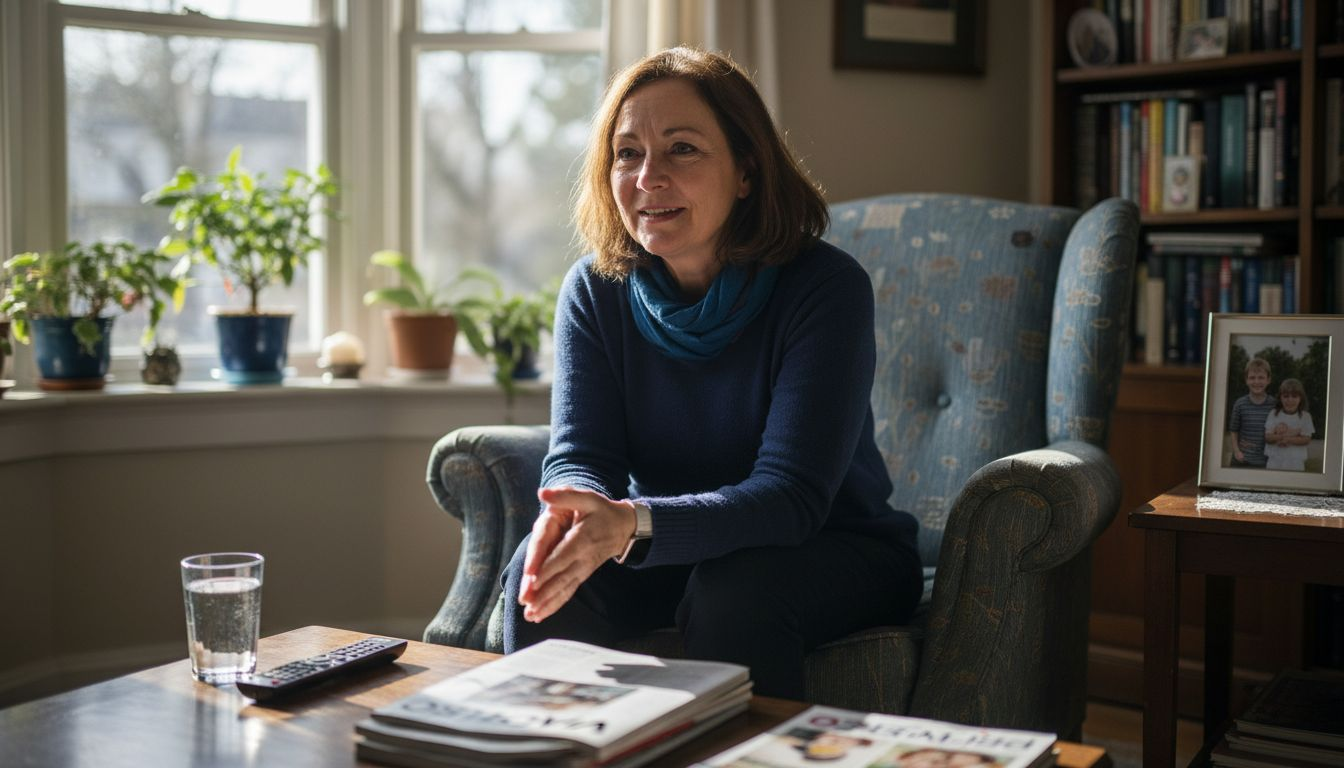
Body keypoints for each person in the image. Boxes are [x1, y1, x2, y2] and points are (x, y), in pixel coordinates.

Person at [500, 46, 923, 700]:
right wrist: (577, 511)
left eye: (683, 150)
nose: (647, 177)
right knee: (543, 566)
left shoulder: (825, 288)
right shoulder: (594, 291)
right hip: (674, 546)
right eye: (628, 153)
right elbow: (584, 453)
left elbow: (792, 498)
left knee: (735, 592)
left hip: (835, 548)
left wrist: (632, 522)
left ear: (747, 171)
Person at [1228, 357, 1275, 468]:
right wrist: (1236, 451)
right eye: (1252, 378)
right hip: (1241, 460)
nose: (1256, 382)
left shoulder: (1274, 405)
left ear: (1268, 380)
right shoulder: (1240, 404)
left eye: (1261, 378)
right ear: (1246, 380)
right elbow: (1233, 430)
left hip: (1265, 462)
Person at [1264, 378, 1314, 471]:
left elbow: (1306, 439)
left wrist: (1287, 439)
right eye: (1286, 396)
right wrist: (1294, 434)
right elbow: (1268, 437)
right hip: (1274, 461)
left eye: (1294, 396)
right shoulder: (1273, 414)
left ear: (1301, 398)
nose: (1290, 400)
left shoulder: (1305, 416)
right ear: (1280, 397)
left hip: (1296, 462)